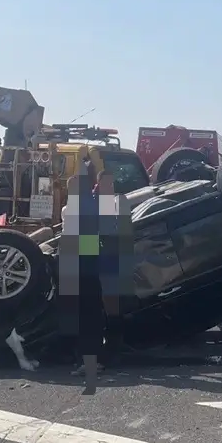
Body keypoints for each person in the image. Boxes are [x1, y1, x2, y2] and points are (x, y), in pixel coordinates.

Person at [59, 168, 132, 394]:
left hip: (92, 269)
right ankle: (94, 357)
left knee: (93, 315)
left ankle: (95, 360)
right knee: (92, 315)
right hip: (89, 269)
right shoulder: (84, 207)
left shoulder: (95, 207)